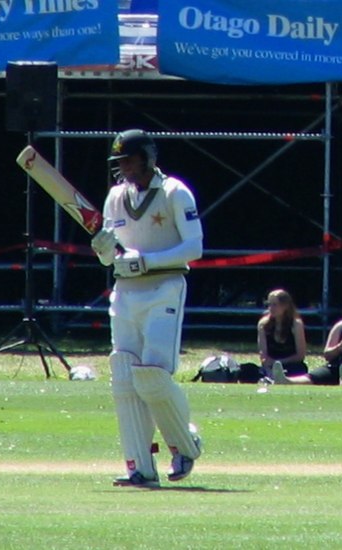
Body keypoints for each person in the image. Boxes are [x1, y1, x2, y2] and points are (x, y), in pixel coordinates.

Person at [90, 129, 204, 487]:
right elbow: (112, 256)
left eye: (129, 160)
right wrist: (104, 248)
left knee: (152, 376)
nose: (124, 168)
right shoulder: (114, 197)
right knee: (124, 375)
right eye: (119, 162)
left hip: (164, 288)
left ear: (147, 158)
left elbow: (194, 247)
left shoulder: (174, 192)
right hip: (124, 293)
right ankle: (139, 467)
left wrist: (148, 262)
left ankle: (185, 444)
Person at [256, 289, 308, 383]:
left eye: (275, 304)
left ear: (285, 306)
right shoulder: (263, 324)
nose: (271, 308)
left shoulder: (296, 324)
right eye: (269, 304)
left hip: (290, 365)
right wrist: (269, 365)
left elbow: (300, 355)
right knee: (247, 369)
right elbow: (263, 355)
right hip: (270, 366)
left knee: (298, 370)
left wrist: (279, 363)